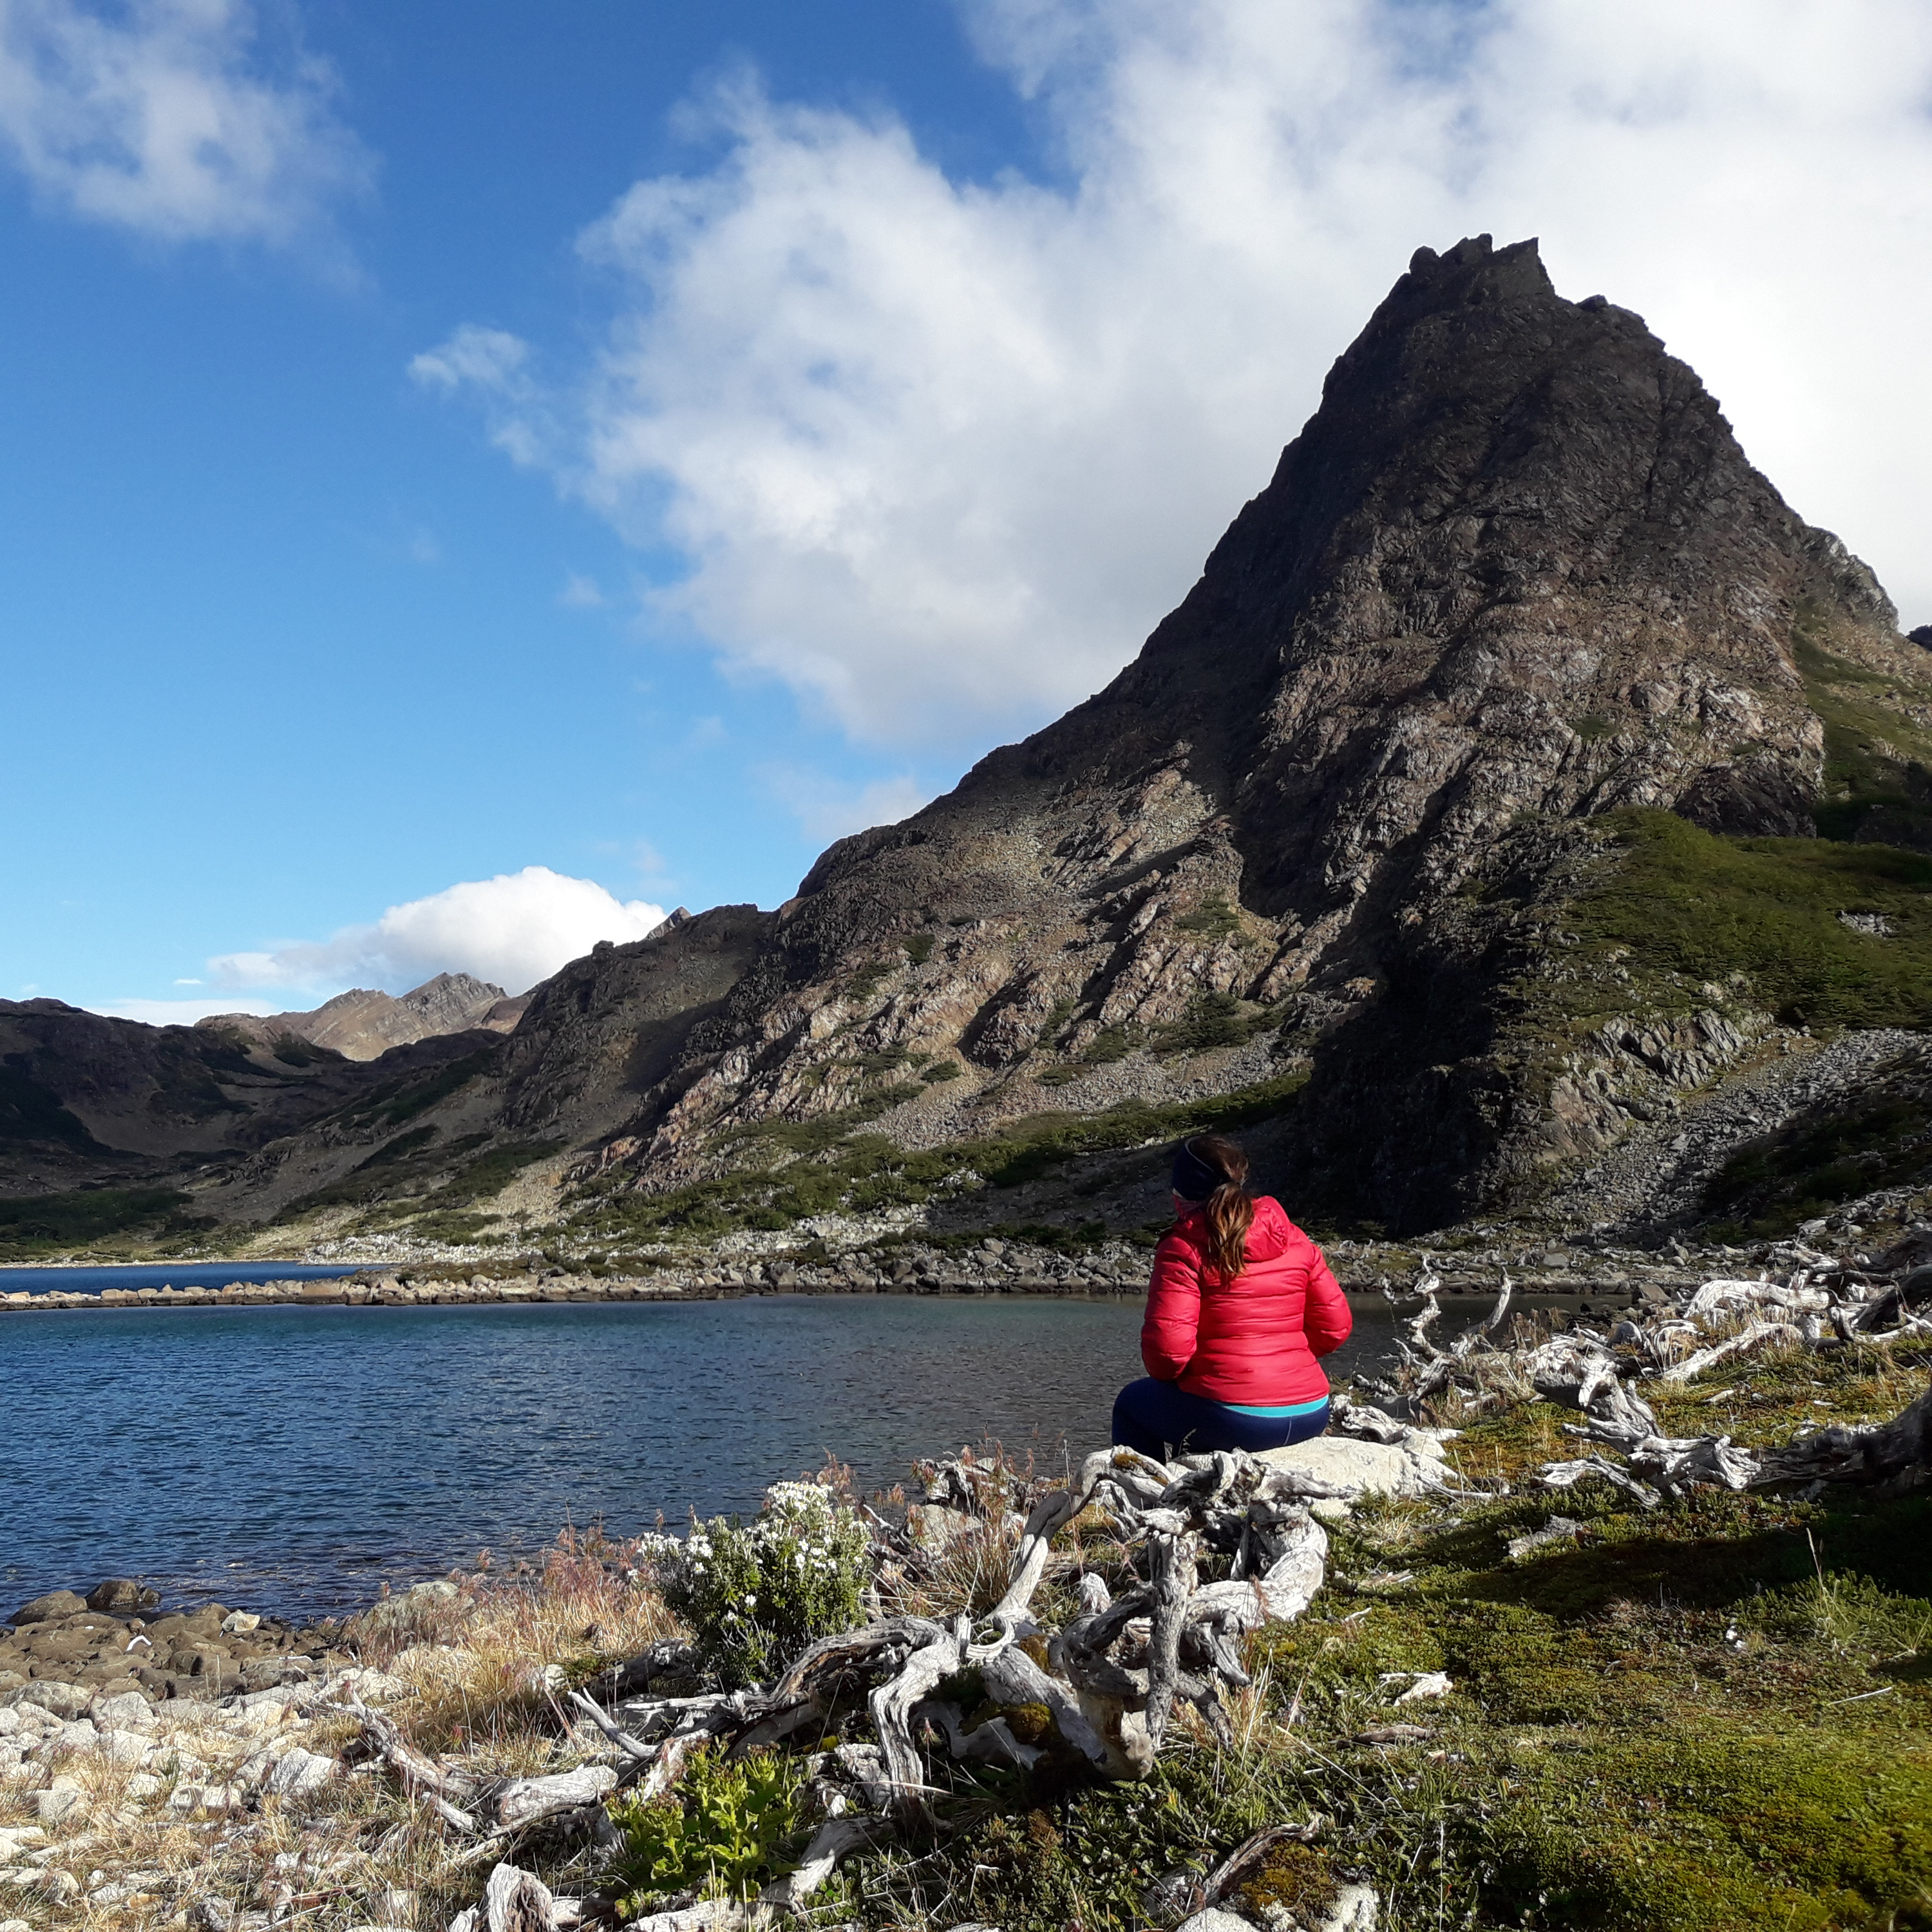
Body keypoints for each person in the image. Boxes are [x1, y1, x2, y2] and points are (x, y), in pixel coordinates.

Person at [1111, 1132, 1351, 1460]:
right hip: (1312, 1410)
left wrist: (1212, 1376)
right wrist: (1283, 1360)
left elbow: (1167, 1356)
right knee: (1198, 1405)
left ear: (1183, 1194)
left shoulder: (1184, 1248)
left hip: (1236, 1419)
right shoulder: (1292, 1236)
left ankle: (1146, 1505)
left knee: (1131, 1405)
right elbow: (1334, 1328)